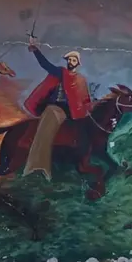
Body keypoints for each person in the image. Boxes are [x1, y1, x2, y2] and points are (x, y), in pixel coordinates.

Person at [22, 36, 92, 180]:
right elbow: (46, 65)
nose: (71, 62)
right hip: (54, 107)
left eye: (74, 60)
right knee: (51, 114)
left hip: (70, 111)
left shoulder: (80, 80)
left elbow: (85, 99)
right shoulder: (61, 73)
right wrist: (35, 50)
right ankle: (38, 165)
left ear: (77, 63)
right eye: (69, 60)